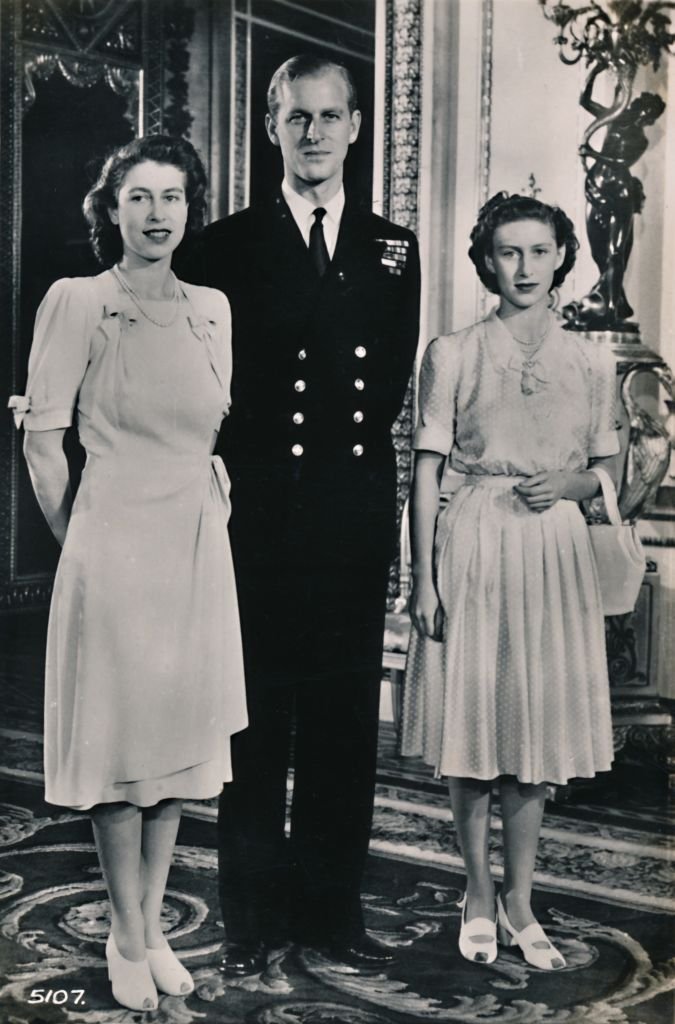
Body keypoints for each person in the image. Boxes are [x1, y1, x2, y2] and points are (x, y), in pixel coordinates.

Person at [182, 54, 420, 971]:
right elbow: (215, 387)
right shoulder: (225, 245)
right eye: (296, 118)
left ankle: (329, 912)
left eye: (330, 117)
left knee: (342, 723)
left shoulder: (392, 246)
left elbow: (387, 380)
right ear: (272, 126)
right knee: (254, 720)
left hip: (350, 511)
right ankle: (249, 917)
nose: (314, 134)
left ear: (357, 126)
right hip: (257, 516)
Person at [9, 135, 247, 1011]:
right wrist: (84, 540)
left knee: (176, 752)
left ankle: (151, 927)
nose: (157, 215)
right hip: (112, 541)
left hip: (192, 543)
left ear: (192, 209)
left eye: (173, 198)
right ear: (110, 209)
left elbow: (210, 430)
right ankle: (124, 932)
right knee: (121, 751)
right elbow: (43, 441)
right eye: (140, 197)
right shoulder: (79, 301)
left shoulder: (214, 307)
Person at [401, 193, 618, 970]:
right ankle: (477, 892)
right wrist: (422, 580)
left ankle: (521, 897)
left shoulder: (590, 359)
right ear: (485, 261)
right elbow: (425, 474)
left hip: (551, 555)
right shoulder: (452, 352)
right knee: (475, 733)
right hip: (474, 543)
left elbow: (605, 471)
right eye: (506, 253)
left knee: (532, 735)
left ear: (561, 255)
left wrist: (570, 486)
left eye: (537, 251)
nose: (523, 268)